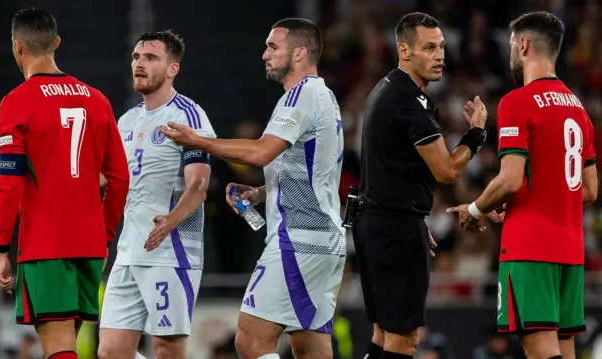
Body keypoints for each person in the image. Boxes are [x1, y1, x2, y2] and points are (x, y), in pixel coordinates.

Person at [160, 17, 345, 359]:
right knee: (310, 348)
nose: (264, 54)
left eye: (273, 47)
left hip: (298, 240)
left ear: (300, 53)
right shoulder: (325, 96)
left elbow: (261, 151)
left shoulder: (301, 95)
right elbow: (314, 170)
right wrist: (260, 193)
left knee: (250, 339)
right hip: (324, 240)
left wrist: (199, 141)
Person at [447, 11, 598, 359]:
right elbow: (588, 191)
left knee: (539, 349)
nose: (511, 53)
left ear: (524, 44)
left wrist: (474, 209)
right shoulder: (579, 109)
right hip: (571, 250)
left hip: (531, 248)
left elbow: (510, 178)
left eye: (513, 46)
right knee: (564, 348)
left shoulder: (518, 101)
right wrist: (525, 199)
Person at [0, 8, 129, 359]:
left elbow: (9, 183)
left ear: (17, 47)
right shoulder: (97, 100)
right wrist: (106, 233)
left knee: (58, 347)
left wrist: (1, 248)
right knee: (71, 343)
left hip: (45, 243)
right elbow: (119, 178)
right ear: (57, 43)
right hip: (90, 242)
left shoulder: (17, 102)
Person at [351, 12, 489, 359]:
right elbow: (446, 171)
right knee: (404, 340)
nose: (439, 55)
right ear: (404, 51)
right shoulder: (407, 101)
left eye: (441, 46)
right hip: (393, 227)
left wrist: (411, 220)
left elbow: (396, 169)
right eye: (429, 48)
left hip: (379, 222)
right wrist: (476, 135)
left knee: (384, 333)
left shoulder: (387, 89)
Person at [97, 30, 215, 359]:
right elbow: (105, 177)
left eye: (150, 58)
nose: (139, 64)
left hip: (171, 253)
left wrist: (170, 222)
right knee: (110, 352)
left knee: (167, 350)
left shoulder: (188, 116)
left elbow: (198, 186)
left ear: (173, 68)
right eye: (137, 57)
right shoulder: (127, 121)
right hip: (129, 252)